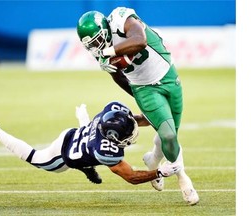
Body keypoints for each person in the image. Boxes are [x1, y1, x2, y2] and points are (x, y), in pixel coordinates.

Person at [77, 7, 199, 205]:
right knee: (168, 135)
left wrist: (109, 51)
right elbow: (117, 76)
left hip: (167, 75)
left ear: (105, 29)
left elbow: (139, 40)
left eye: (98, 40)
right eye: (92, 45)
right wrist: (139, 95)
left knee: (170, 136)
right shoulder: (99, 52)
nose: (97, 47)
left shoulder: (120, 19)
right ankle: (183, 178)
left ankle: (153, 160)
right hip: (144, 88)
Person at [0, 101, 180, 185]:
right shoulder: (105, 150)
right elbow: (132, 177)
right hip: (64, 155)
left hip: (77, 134)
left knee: (88, 147)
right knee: (34, 158)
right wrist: (160, 172)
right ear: (111, 138)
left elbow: (132, 120)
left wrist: (162, 120)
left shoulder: (110, 113)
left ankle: (88, 168)